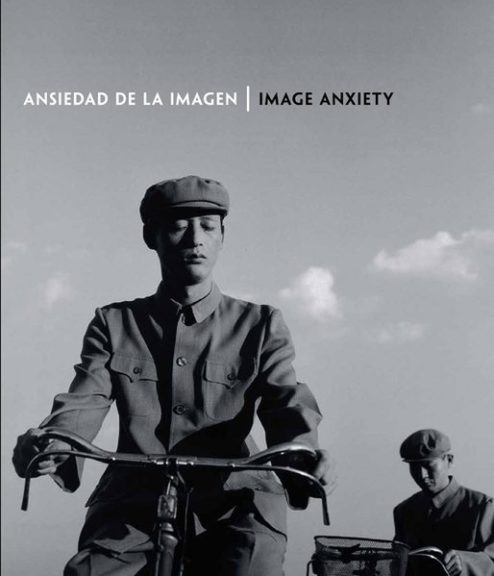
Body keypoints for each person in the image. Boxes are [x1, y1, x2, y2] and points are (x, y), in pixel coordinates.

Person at [12, 175, 333, 576]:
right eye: (179, 226)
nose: (195, 239)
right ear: (152, 236)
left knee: (253, 568)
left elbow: (286, 400)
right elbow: (85, 399)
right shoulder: (115, 323)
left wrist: (304, 452)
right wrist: (54, 441)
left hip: (235, 504)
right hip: (134, 505)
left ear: (222, 237)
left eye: (208, 227)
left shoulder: (260, 324)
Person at [393, 429, 494, 576]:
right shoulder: (404, 511)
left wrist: (466, 562)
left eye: (428, 465)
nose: (422, 474)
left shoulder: (483, 507)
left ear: (449, 460)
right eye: (414, 466)